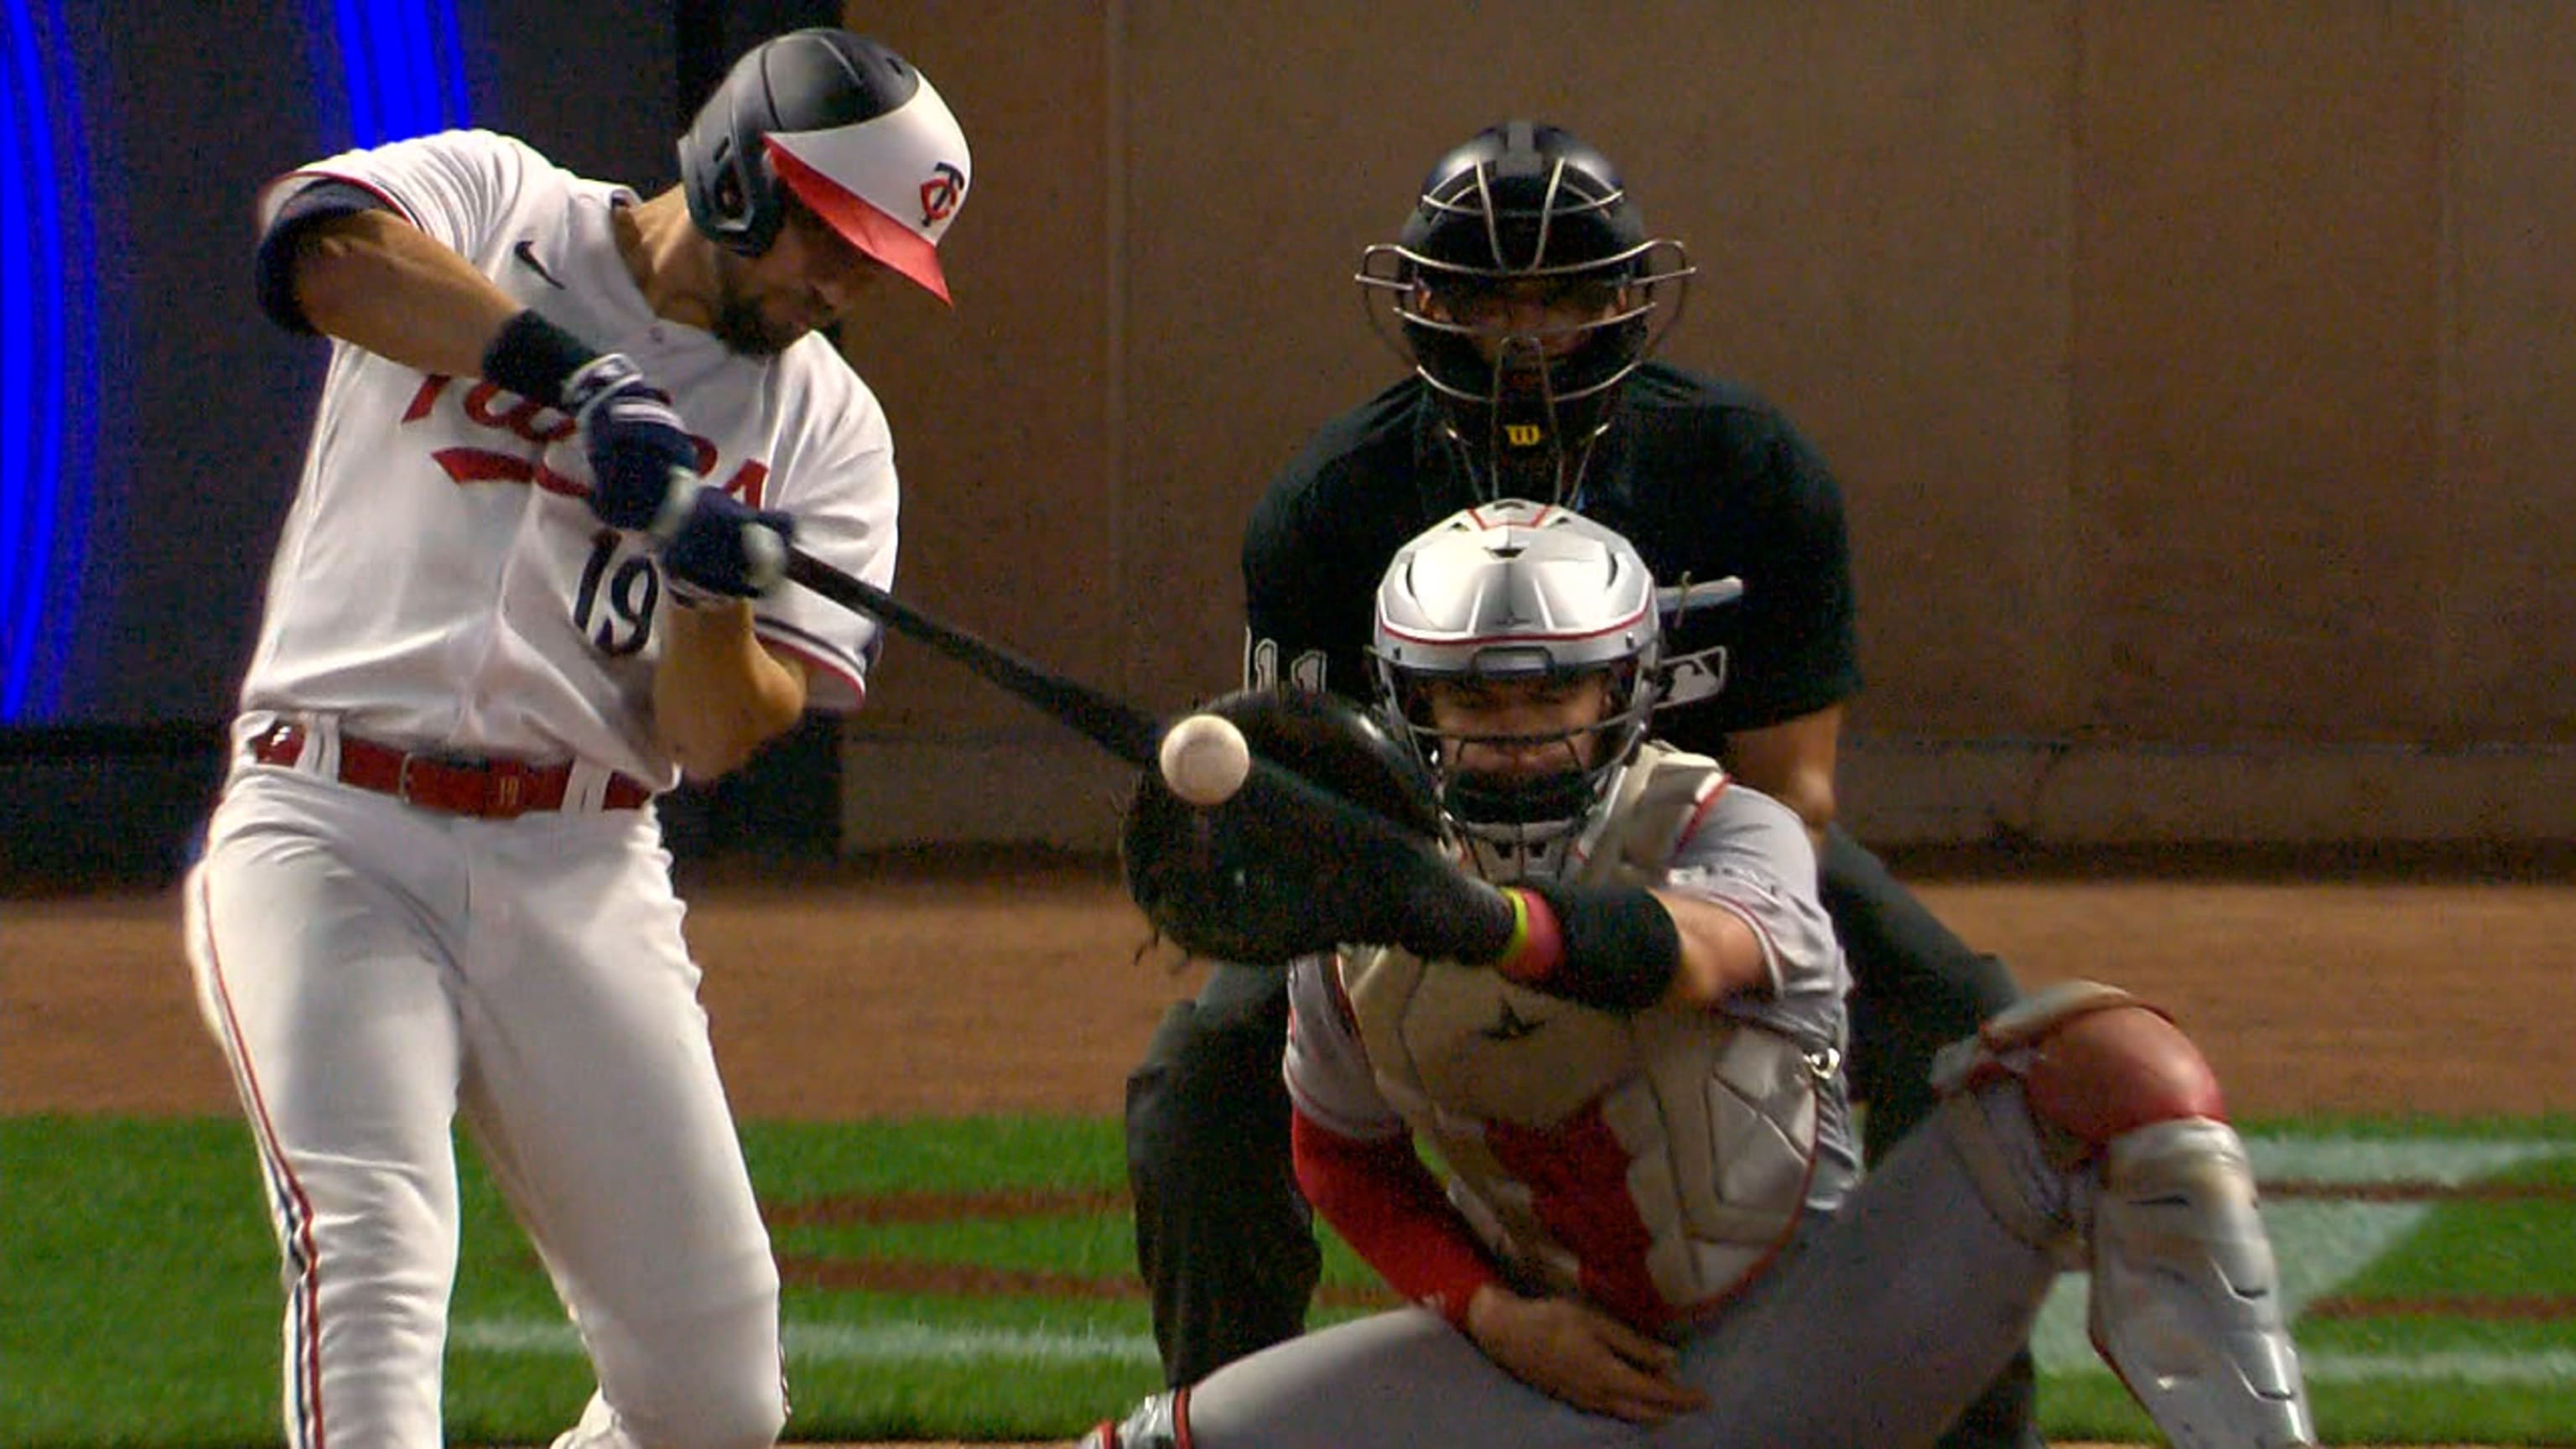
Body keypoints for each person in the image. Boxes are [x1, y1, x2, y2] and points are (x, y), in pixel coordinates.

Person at [1123, 121, 2039, 1445]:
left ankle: (1973, 1429)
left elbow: (1793, 795)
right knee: (1203, 1076)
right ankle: (1240, 1410)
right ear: (1420, 304)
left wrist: (1641, 933)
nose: (1525, 336)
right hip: (1414, 856)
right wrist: (1425, 893)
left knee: (1962, 1021)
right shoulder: (1329, 506)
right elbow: (1300, 806)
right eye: (1488, 297)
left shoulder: (1748, 469)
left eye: (1561, 294)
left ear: (1629, 300)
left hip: (1694, 850)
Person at [1086, 503, 2314, 1449]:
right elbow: (1340, 1158)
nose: (1514, 729)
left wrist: (1470, 916)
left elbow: (1682, 955)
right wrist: (1500, 1321)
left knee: (2115, 1065)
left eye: (1552, 689)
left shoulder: (1727, 828)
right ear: (1411, 705)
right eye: (1471, 696)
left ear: (1626, 690)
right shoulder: (1360, 921)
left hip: (1822, 1346)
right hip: (1549, 1366)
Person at [180, 28, 970, 1449]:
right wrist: (579, 376)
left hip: (580, 857)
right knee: (371, 1250)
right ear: (740, 169)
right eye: (828, 236)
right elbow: (317, 250)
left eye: (874, 265)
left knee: (714, 1393)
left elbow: (720, 737)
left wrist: (708, 588)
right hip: (332, 827)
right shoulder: (504, 202)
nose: (839, 284)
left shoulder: (830, 429)